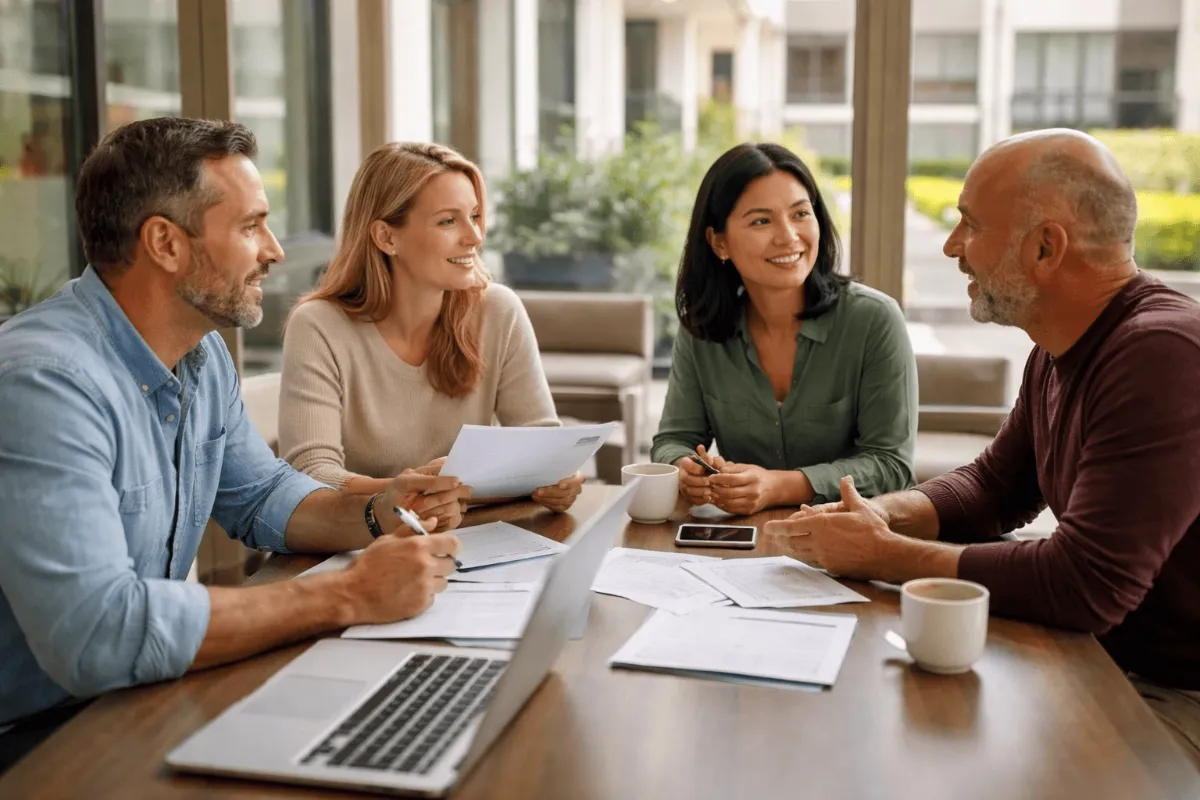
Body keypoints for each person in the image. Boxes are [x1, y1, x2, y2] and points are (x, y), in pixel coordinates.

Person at [0, 118, 471, 769]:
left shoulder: (201, 356)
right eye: (251, 226)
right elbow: (98, 634)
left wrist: (378, 509)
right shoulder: (44, 384)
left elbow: (260, 495)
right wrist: (348, 594)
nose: (273, 250)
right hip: (36, 739)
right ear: (165, 243)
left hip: (133, 700)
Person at [765, 129, 1200, 768]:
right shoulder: (1058, 351)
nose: (951, 246)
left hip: (1176, 692)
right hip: (1104, 658)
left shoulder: (1160, 355)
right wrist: (881, 514)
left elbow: (1086, 584)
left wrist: (882, 554)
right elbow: (995, 488)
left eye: (970, 224)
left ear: (1045, 247)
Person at [278, 142, 583, 517]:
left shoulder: (499, 311)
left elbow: (541, 444)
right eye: (448, 221)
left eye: (474, 216)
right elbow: (310, 475)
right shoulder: (318, 326)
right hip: (364, 541)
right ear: (386, 237)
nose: (474, 236)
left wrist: (556, 480)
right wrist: (413, 490)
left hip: (477, 535)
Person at [651, 142, 917, 516]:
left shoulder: (874, 320)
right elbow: (673, 439)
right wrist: (684, 468)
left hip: (851, 534)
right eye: (761, 221)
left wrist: (778, 486)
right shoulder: (702, 328)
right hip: (744, 535)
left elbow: (892, 465)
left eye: (800, 214)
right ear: (719, 242)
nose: (789, 236)